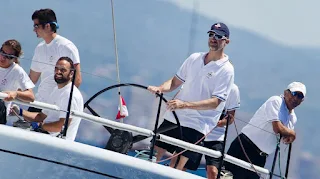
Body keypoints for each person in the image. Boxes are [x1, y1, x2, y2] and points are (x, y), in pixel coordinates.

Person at [148, 22, 234, 170]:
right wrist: (160, 88)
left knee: (178, 169)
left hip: (197, 125)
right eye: (211, 34)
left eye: (219, 36)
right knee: (152, 156)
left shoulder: (227, 69)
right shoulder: (194, 58)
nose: (214, 38)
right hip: (174, 117)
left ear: (226, 41)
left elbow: (215, 102)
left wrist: (184, 104)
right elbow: (175, 82)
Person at [224, 82, 306, 179]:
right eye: (294, 94)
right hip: (244, 147)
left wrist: (288, 134)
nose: (296, 98)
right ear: (285, 93)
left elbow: (285, 137)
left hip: (260, 157)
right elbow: (277, 128)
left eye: (300, 97)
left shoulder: (293, 118)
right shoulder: (276, 101)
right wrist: (292, 133)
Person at [11, 57, 83, 141]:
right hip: (45, 135)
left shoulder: (70, 94)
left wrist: (40, 126)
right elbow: (41, 116)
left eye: (63, 70)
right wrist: (19, 111)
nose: (58, 72)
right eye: (56, 69)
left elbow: (61, 126)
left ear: (71, 73)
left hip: (56, 141)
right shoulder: (56, 90)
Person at [28, 8, 82, 112]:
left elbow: (77, 79)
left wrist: (63, 104)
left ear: (47, 26)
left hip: (55, 106)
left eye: (36, 26)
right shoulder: (39, 48)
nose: (34, 29)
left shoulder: (66, 46)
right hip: (39, 103)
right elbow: (31, 80)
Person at [0, 39, 35, 124]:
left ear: (15, 58)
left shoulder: (17, 71)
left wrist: (16, 94)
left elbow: (31, 96)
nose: (3, 57)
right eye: (2, 53)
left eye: (9, 56)